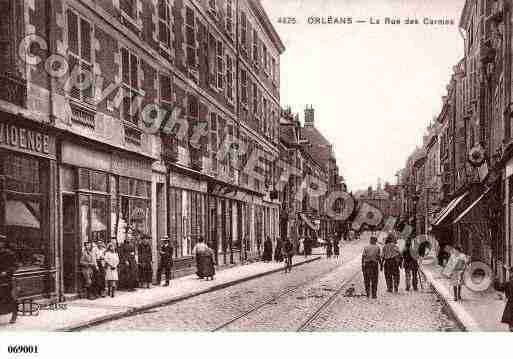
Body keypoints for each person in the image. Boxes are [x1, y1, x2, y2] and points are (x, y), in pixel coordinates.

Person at [0, 234, 18, 324]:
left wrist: (6, 272)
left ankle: (14, 315)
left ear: (3, 243)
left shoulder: (9, 254)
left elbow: (15, 266)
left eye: (0, 242)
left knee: (10, 297)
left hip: (7, 279)